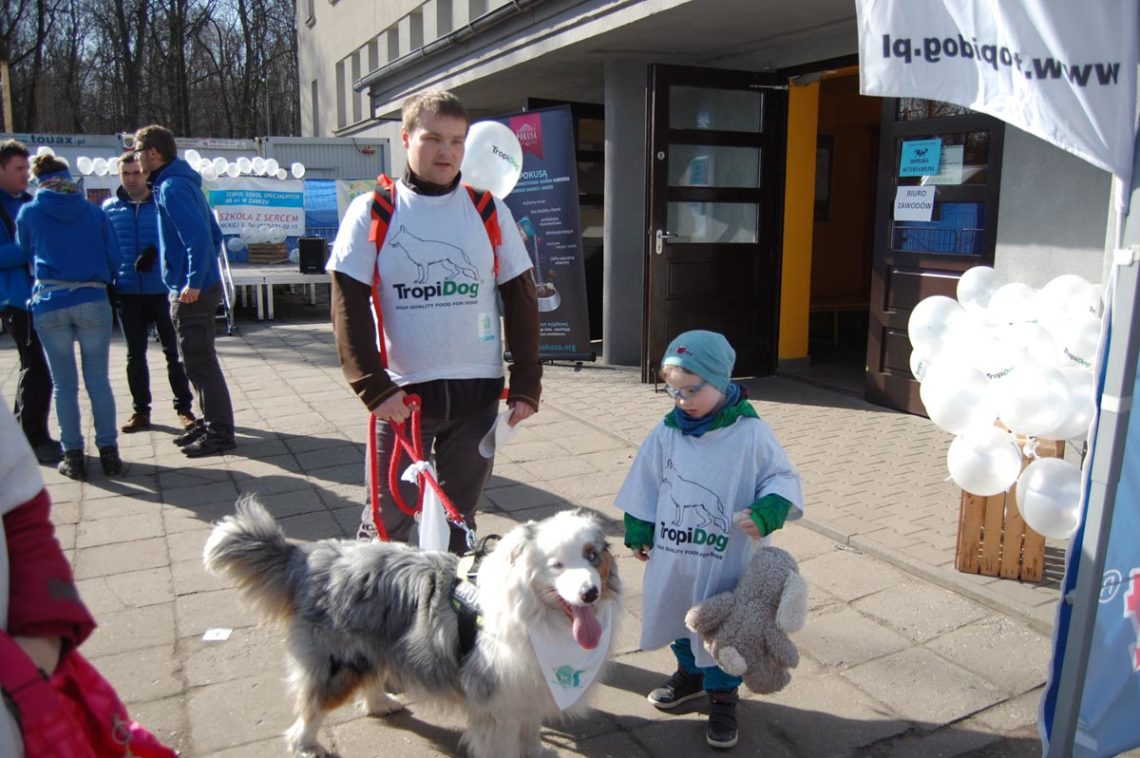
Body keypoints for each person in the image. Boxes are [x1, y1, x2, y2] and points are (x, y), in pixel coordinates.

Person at [327, 89, 541, 552]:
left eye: (457, 141)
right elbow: (347, 303)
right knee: (389, 523)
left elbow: (521, 297)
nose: (446, 152)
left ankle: (448, 616)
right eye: (432, 139)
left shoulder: (487, 210)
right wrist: (373, 386)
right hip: (403, 399)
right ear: (406, 138)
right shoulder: (373, 211)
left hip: (476, 395)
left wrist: (526, 382)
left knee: (458, 522)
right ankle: (367, 618)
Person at [615, 330, 804, 750]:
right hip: (677, 555)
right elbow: (644, 483)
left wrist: (766, 512)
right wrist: (639, 528)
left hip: (725, 560)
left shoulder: (751, 433)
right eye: (674, 391)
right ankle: (689, 675)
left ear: (719, 381)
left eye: (691, 390)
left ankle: (722, 697)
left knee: (724, 629)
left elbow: (782, 479)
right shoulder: (666, 434)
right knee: (680, 616)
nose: (682, 400)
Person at [0, 391, 98, 757]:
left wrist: (43, 632)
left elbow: (19, 503)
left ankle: (80, 450)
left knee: (72, 380)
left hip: (14, 698)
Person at [15, 155, 122, 481]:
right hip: (92, 298)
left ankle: (73, 455)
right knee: (98, 381)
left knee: (64, 385)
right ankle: (109, 454)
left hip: (50, 300)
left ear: (38, 179)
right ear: (68, 177)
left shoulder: (30, 211)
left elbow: (24, 250)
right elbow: (115, 257)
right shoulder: (93, 211)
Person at [133, 125, 236, 458]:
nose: (135, 158)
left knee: (199, 363)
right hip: (197, 286)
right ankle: (211, 425)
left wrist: (192, 281)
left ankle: (220, 433)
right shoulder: (180, 182)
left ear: (154, 153)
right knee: (198, 361)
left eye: (138, 150)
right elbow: (214, 234)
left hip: (193, 292)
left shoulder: (172, 188)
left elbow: (200, 239)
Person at [104, 151, 197, 435]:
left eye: (137, 173)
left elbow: (180, 239)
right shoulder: (110, 209)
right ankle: (140, 411)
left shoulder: (161, 202)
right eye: (126, 174)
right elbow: (103, 247)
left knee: (174, 353)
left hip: (162, 289)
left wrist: (157, 253)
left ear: (146, 173)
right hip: (128, 292)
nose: (132, 179)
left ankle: (184, 408)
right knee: (135, 355)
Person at [0, 140, 59, 466]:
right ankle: (32, 440)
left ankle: (20, 437)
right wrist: (28, 244)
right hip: (15, 300)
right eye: (19, 169)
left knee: (36, 370)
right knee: (36, 370)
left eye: (27, 168)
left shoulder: (28, 201)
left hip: (41, 296)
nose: (27, 175)